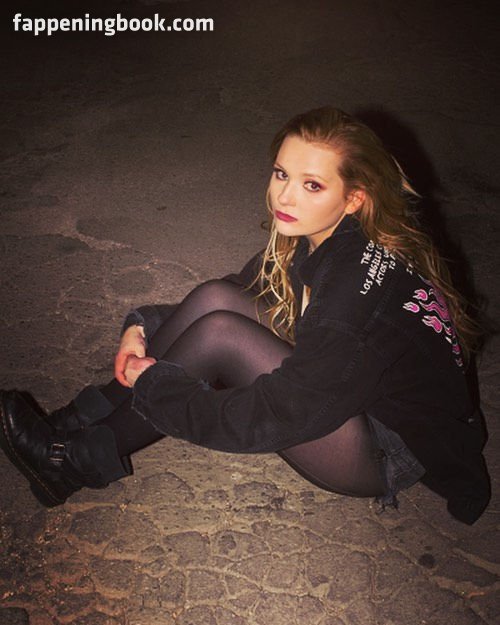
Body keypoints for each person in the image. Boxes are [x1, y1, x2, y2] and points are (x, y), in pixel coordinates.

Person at [0, 107, 490, 525]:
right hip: (352, 386)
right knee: (218, 297)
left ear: (354, 196)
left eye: (312, 185)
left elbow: (278, 412)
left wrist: (160, 389)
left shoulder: (351, 295)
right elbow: (244, 289)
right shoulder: (337, 234)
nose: (285, 197)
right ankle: (73, 422)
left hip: (385, 446)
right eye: (281, 174)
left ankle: (71, 464)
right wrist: (141, 328)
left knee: (222, 335)